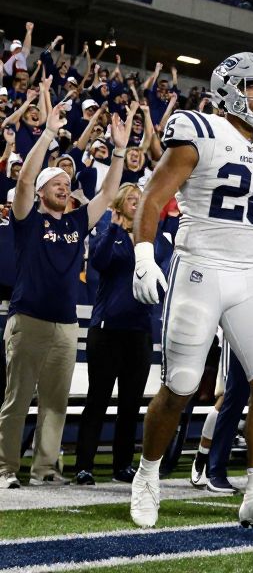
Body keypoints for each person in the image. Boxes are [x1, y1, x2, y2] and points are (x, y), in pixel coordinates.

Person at [129, 52, 253, 529]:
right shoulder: (199, 131)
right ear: (230, 87)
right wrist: (144, 256)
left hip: (248, 274)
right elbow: (153, 197)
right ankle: (147, 476)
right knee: (182, 385)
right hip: (199, 269)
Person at [0, 94, 132, 489]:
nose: (63, 186)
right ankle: (6, 469)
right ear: (40, 192)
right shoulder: (26, 220)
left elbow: (108, 195)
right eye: (55, 183)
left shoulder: (76, 220)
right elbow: (23, 178)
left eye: (66, 183)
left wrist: (121, 151)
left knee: (55, 403)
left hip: (65, 324)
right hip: (28, 319)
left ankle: (44, 468)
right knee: (17, 400)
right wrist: (48, 135)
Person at [74, 183, 154, 485]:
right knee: (98, 400)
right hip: (107, 331)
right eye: (131, 200)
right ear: (120, 206)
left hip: (140, 332)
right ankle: (85, 466)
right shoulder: (111, 235)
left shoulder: (150, 240)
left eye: (140, 200)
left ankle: (123, 465)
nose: (137, 204)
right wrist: (113, 226)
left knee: (131, 404)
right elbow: (99, 261)